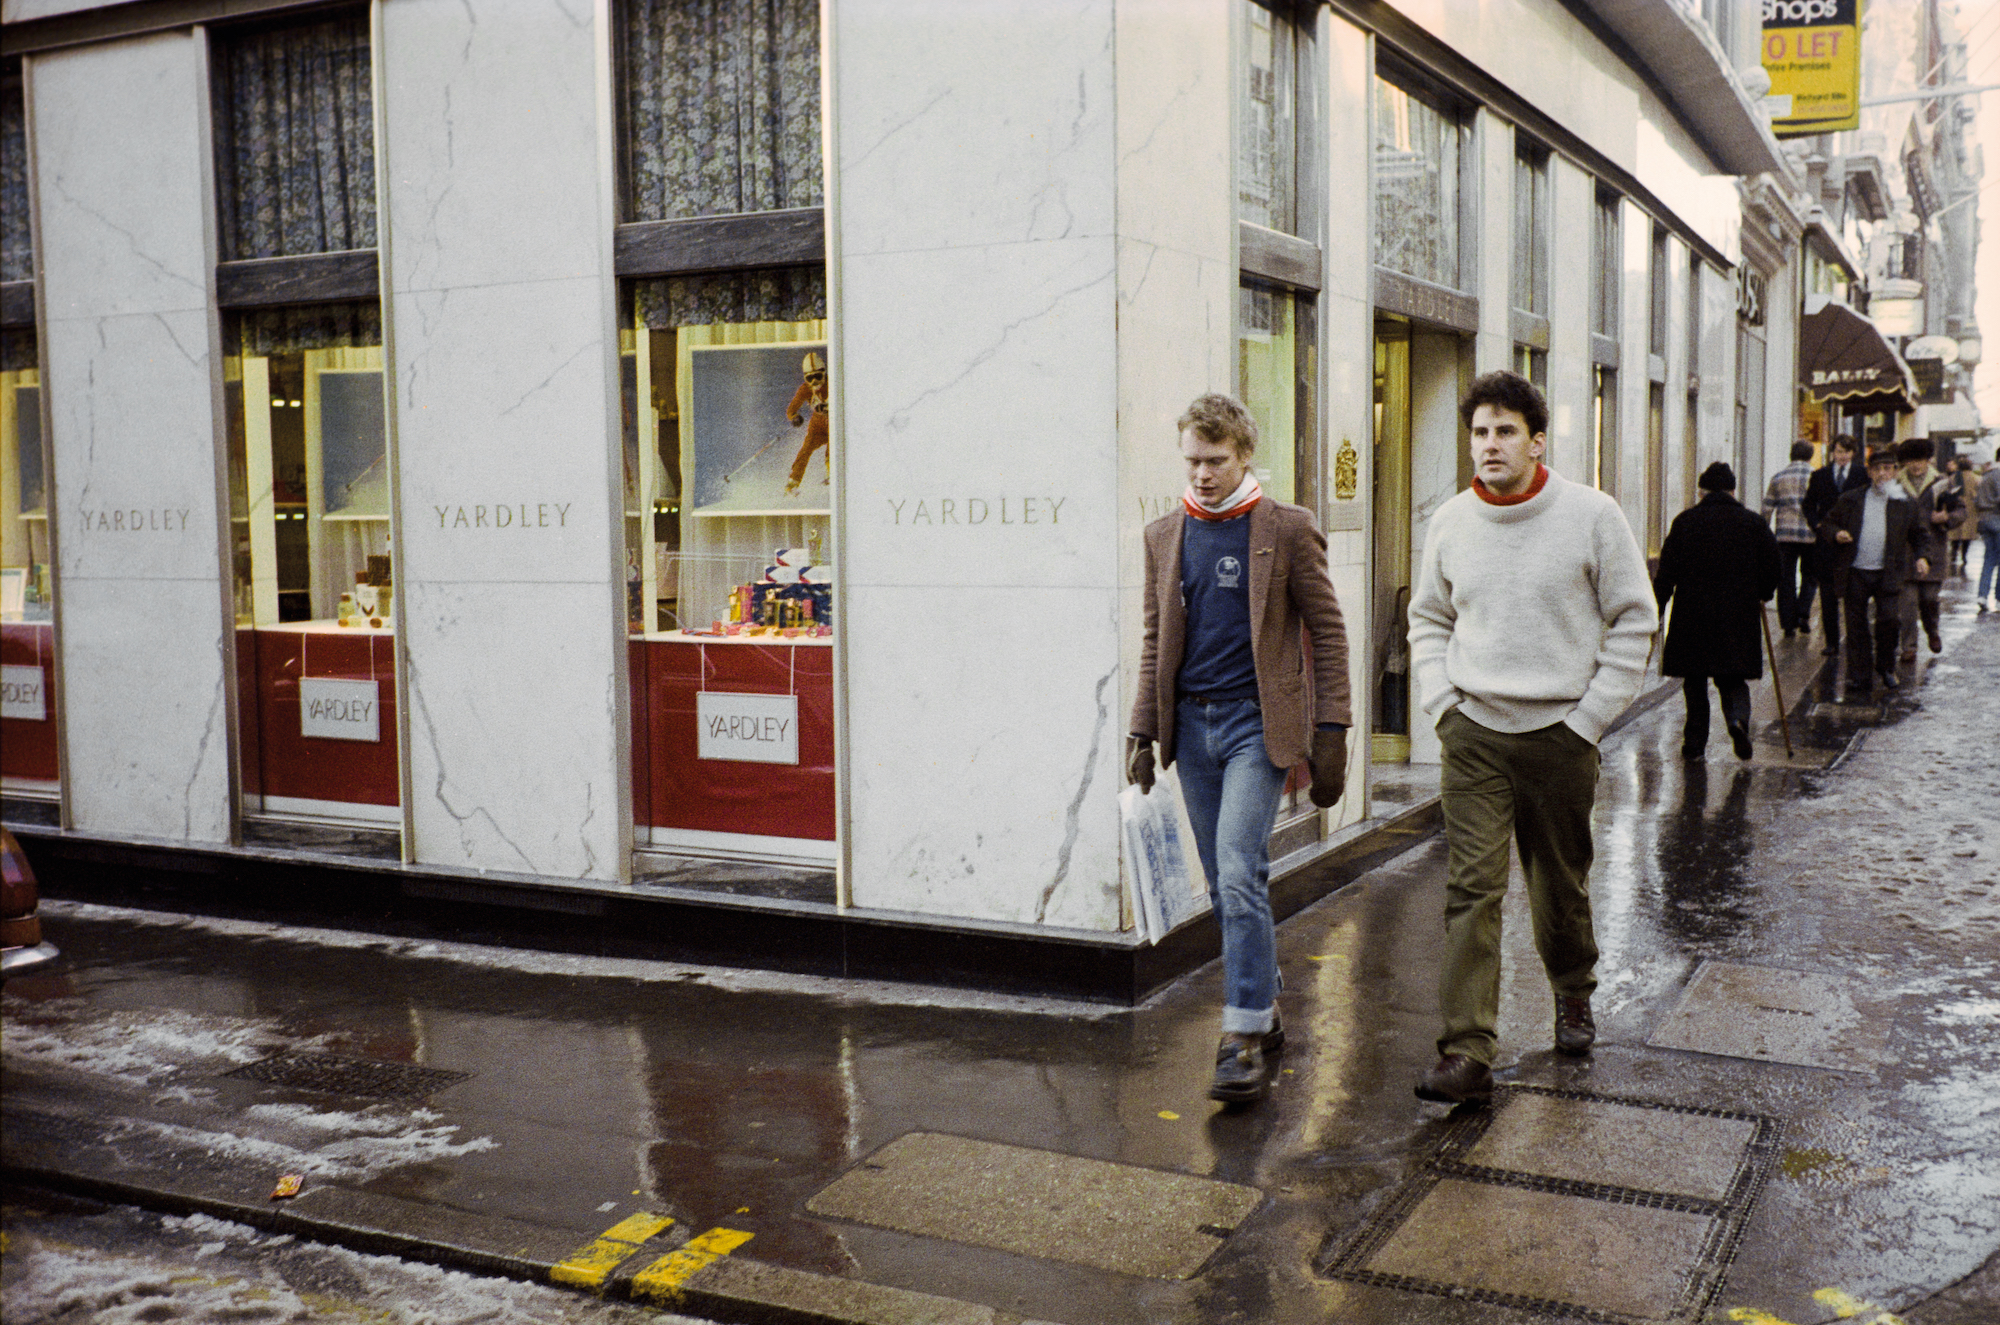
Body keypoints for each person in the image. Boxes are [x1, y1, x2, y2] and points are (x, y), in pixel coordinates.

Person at [1406, 371, 1657, 1105]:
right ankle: (1467, 1049)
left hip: (1559, 733)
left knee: (1558, 885)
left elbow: (1634, 618)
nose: (1489, 444)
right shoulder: (1450, 521)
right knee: (1472, 889)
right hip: (1474, 732)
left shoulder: (1590, 514)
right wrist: (1442, 704)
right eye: (1479, 431)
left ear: (1537, 439)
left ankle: (1573, 989)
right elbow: (1429, 616)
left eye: (1505, 431)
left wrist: (1589, 718)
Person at [1127, 392, 1352, 1105]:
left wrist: (1334, 730)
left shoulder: (1286, 529)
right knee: (1226, 885)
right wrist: (1141, 728)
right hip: (1190, 729)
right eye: (1191, 459)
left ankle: (1243, 1035)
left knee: (1237, 867)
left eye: (1215, 460)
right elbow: (1155, 640)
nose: (1201, 473)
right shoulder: (1165, 534)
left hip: (1260, 727)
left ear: (1244, 455)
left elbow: (1330, 629)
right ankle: (1265, 1004)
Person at [1657, 463, 1781, 760]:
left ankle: (1694, 744)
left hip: (1692, 614)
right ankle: (1737, 720)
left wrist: (1657, 607)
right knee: (1732, 677)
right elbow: (1774, 565)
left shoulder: (1685, 521)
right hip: (1737, 615)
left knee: (1695, 681)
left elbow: (1667, 570)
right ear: (1733, 490)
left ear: (1701, 491)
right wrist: (1763, 593)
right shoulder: (1753, 523)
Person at [1820, 448, 1928, 698]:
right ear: (1869, 472)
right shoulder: (1852, 498)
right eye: (1877, 469)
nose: (1882, 474)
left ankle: (1887, 667)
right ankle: (1860, 676)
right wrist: (1837, 533)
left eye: (1888, 468)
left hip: (1887, 572)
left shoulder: (1904, 502)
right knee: (1856, 627)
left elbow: (1919, 534)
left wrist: (1922, 557)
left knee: (1889, 621)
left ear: (1895, 472)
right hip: (1856, 570)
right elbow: (1828, 522)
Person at [1802, 437, 1869, 657]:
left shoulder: (1862, 475)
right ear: (1833, 452)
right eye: (1839, 452)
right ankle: (1832, 641)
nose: (1842, 456)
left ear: (1853, 454)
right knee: (1828, 595)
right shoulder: (1819, 475)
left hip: (1854, 540)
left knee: (1854, 594)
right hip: (1827, 543)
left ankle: (1855, 640)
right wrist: (1817, 525)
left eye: (1846, 452)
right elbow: (1808, 504)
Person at [1894, 438, 1960, 659]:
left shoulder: (1943, 482)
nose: (1916, 465)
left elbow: (1962, 511)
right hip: (1904, 552)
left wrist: (1945, 517)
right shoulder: (1896, 483)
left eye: (1920, 460)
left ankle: (1932, 630)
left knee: (1929, 599)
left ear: (1928, 460)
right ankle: (1909, 647)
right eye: (1911, 460)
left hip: (1934, 550)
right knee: (1908, 604)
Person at [1761, 441, 1817, 639]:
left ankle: (1787, 624)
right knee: (1810, 575)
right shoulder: (1817, 477)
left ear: (1791, 455)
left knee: (1785, 579)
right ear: (1810, 455)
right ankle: (1803, 612)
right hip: (1811, 535)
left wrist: (1764, 534)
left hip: (1785, 535)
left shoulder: (1778, 478)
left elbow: (1767, 509)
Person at [1946, 456, 1980, 576]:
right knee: (1967, 536)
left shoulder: (1954, 477)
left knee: (1955, 533)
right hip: (1970, 510)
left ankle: (1954, 553)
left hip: (1956, 508)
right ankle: (1964, 556)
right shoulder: (1976, 478)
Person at [1977, 451, 2000, 611]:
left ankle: (1982, 596)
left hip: (1984, 520)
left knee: (1989, 560)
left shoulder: (1986, 475)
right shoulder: (1999, 474)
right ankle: (1999, 599)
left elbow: (1977, 500)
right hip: (1998, 520)